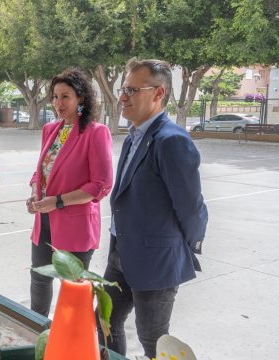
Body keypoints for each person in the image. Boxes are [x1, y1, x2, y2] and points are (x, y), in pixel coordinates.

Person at [101, 59, 208, 358]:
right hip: (121, 253)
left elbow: (191, 208)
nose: (122, 96)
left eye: (132, 90)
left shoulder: (171, 141)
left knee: (153, 340)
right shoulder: (134, 136)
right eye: (123, 88)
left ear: (158, 93)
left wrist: (180, 246)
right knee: (105, 322)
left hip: (156, 260)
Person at [26, 68, 113, 316]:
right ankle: (36, 334)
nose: (58, 103)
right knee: (39, 280)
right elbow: (40, 173)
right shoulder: (50, 130)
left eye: (65, 97)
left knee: (73, 291)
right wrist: (35, 193)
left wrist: (59, 201)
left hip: (75, 226)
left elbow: (100, 184)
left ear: (81, 99)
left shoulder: (96, 133)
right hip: (44, 222)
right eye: (55, 96)